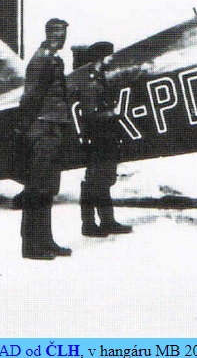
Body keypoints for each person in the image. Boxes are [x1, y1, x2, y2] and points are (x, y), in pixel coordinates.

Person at [18, 18, 73, 260]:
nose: (62, 38)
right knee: (36, 188)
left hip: (53, 129)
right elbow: (30, 97)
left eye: (64, 34)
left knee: (48, 189)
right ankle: (31, 246)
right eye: (59, 34)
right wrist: (27, 127)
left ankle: (46, 240)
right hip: (42, 129)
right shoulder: (40, 60)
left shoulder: (54, 60)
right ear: (50, 34)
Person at [74, 42, 132, 237]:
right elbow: (89, 115)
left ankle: (107, 221)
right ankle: (89, 224)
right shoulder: (91, 83)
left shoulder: (100, 79)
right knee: (94, 182)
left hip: (106, 137)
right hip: (98, 138)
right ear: (101, 58)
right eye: (109, 55)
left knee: (104, 180)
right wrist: (112, 114)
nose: (112, 58)